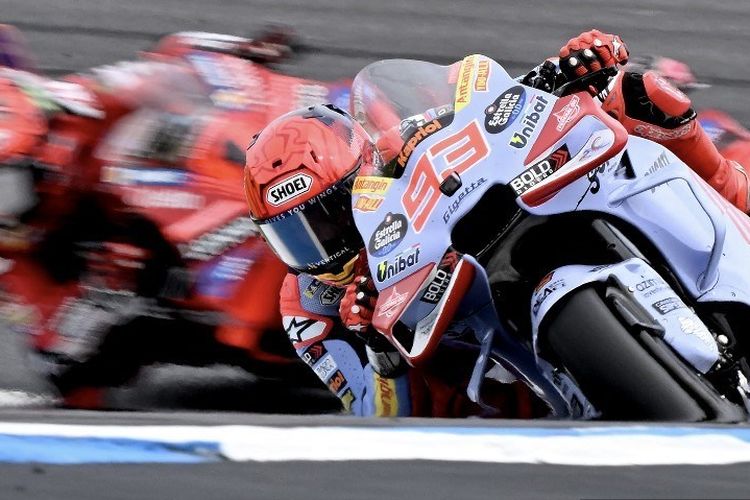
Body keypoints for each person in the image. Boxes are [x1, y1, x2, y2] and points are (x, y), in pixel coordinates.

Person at [244, 30, 750, 417]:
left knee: (642, 96)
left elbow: (488, 110)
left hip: (502, 230)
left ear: (364, 171)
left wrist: (565, 68)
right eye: (296, 236)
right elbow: (375, 414)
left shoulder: (396, 149)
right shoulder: (308, 307)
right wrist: (381, 354)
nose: (325, 246)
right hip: (509, 408)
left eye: (333, 216)